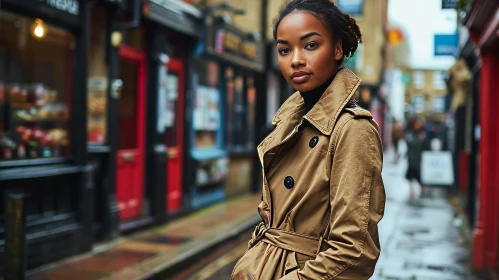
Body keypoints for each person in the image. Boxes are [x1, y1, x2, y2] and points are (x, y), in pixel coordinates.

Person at [231, 1, 386, 279]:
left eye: (311, 45)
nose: (296, 59)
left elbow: (353, 251)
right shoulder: (289, 123)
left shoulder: (352, 129)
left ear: (337, 49)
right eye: (284, 49)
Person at [404, 117, 430, 199]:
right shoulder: (410, 133)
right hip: (412, 159)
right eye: (417, 124)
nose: (418, 125)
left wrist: (423, 141)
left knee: (420, 176)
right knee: (411, 175)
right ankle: (411, 190)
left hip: (420, 160)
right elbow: (410, 143)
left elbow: (427, 146)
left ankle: (422, 189)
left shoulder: (423, 134)